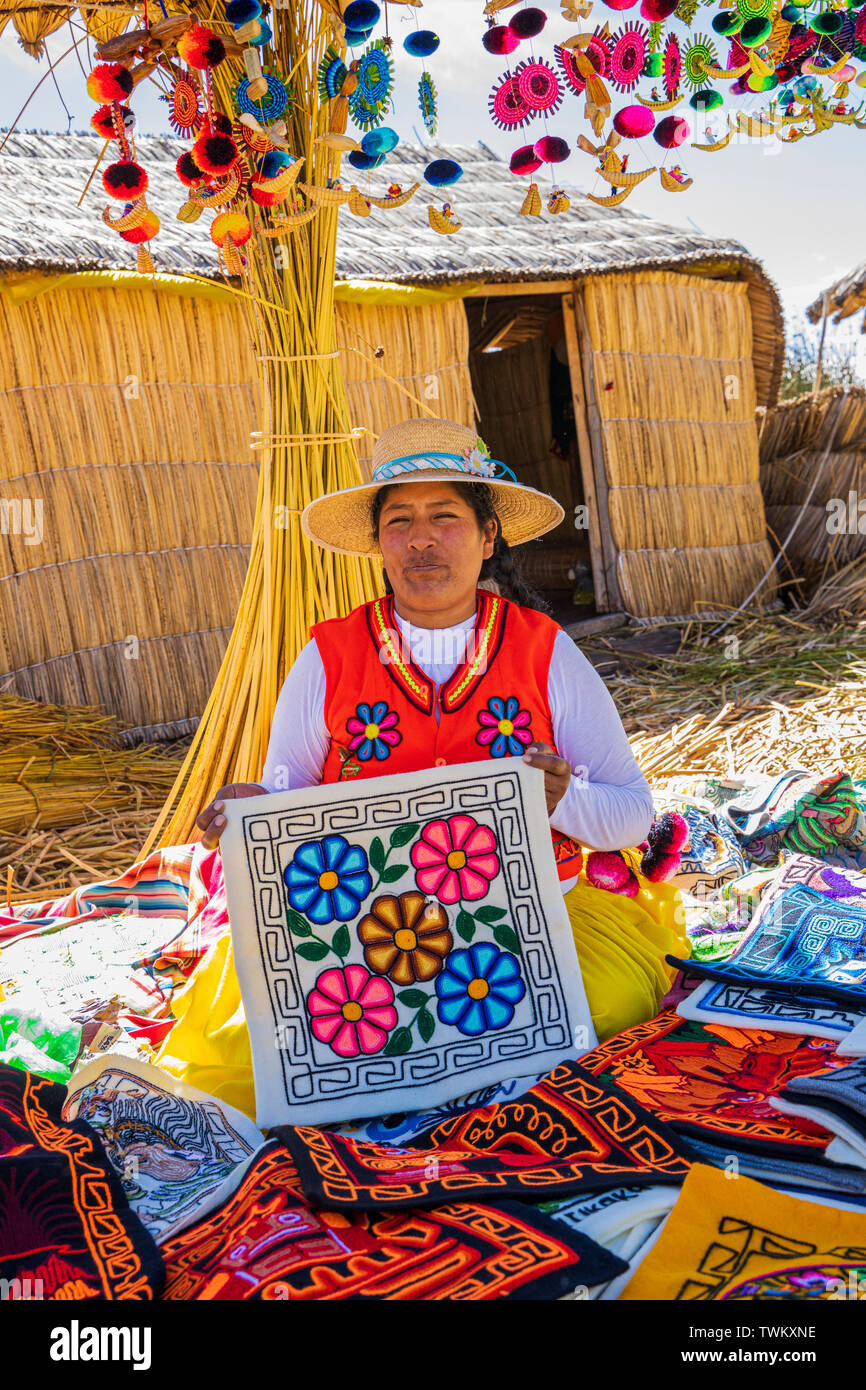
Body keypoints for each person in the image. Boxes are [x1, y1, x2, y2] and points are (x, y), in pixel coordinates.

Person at [155, 418, 686, 1115]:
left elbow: (630, 815)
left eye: (446, 516)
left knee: (603, 1006)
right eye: (400, 520)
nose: (423, 538)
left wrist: (562, 798)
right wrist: (247, 812)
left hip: (533, 923)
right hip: (356, 943)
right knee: (250, 1057)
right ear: (378, 543)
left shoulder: (545, 652)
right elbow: (283, 801)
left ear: (489, 535)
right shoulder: (328, 657)